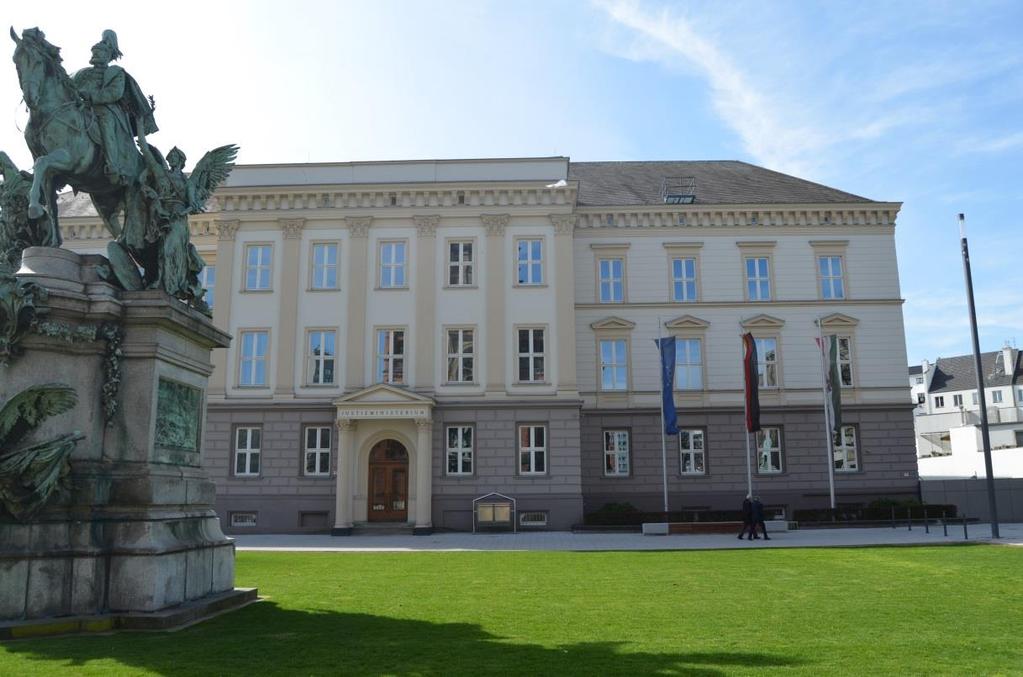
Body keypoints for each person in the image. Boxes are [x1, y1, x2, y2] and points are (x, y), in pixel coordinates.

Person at [72, 30, 158, 187]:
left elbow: (114, 93)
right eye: (94, 53)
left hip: (108, 110)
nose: (96, 55)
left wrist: (92, 96)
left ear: (107, 56)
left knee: (106, 125)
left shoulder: (116, 73)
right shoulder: (84, 74)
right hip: (84, 108)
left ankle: (113, 165)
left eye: (99, 53)